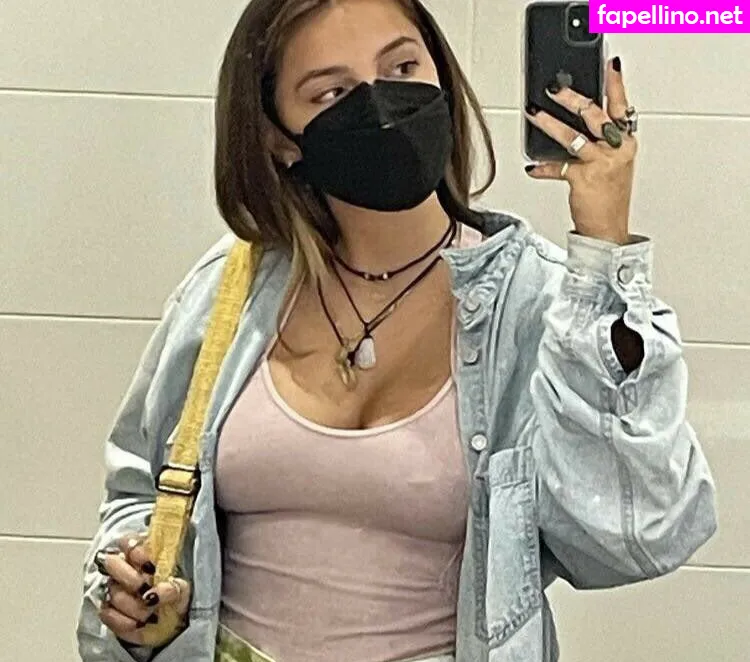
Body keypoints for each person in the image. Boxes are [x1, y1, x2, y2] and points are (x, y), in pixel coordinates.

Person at [76, 1, 717, 661]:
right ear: (278, 137)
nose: (380, 105)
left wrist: (602, 252)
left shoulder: (540, 306)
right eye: (331, 92)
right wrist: (137, 587)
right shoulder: (230, 290)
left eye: (402, 67)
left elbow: (638, 536)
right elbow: (139, 488)